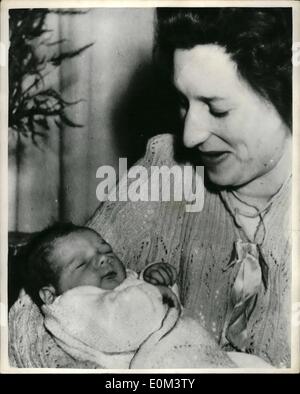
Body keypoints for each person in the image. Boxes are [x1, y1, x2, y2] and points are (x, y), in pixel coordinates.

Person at [9, 8, 292, 369]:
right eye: (182, 102)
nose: (190, 135)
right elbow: (37, 315)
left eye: (217, 109)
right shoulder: (165, 171)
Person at [23, 222, 236, 369]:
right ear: (50, 295)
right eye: (81, 264)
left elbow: (152, 301)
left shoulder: (115, 284)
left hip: (197, 354)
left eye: (106, 251)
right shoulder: (72, 307)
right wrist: (152, 292)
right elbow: (124, 324)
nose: (103, 260)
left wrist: (150, 279)